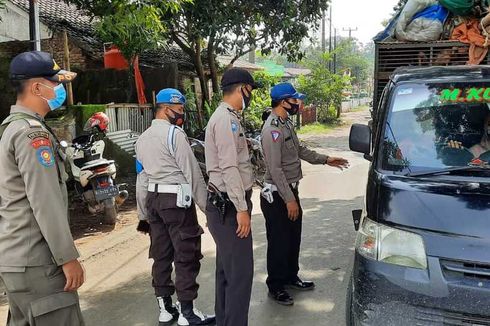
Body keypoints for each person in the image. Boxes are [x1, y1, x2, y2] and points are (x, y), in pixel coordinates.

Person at [0, 51, 84, 325]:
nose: (60, 90)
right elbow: (45, 201)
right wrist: (67, 257)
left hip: (19, 260)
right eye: (56, 83)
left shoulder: (12, 128)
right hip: (39, 262)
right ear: (37, 87)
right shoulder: (30, 133)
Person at [260, 82, 349, 306]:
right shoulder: (272, 129)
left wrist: (326, 160)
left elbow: (299, 150)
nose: (298, 103)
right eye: (295, 100)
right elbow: (275, 169)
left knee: (292, 238)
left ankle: (290, 276)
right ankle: (276, 285)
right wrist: (289, 199)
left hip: (290, 191)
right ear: (283, 102)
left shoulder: (286, 123)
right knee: (279, 242)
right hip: (278, 195)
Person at [135, 88, 215, 326]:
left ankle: (166, 310)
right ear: (165, 109)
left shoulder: (142, 139)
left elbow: (142, 179)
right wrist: (207, 210)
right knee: (186, 255)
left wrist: (142, 214)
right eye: (178, 110)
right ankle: (188, 314)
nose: (181, 115)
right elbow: (193, 174)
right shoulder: (175, 134)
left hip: (154, 202)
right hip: (177, 203)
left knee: (161, 254)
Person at [204, 68, 259, 326]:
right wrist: (241, 208)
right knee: (240, 274)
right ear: (241, 89)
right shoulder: (226, 120)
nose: (250, 96)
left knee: (227, 271)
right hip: (229, 206)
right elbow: (229, 167)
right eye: (250, 90)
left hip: (224, 205)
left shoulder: (227, 117)